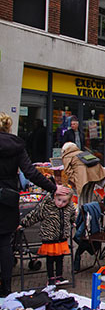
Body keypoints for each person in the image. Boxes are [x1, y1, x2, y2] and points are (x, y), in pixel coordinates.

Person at [0, 112, 69, 296]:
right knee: (5, 243)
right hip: (7, 198)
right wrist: (53, 188)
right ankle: (5, 288)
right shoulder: (16, 146)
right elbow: (30, 172)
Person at [20, 190, 75, 286]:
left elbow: (72, 215)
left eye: (64, 201)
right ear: (54, 197)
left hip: (61, 238)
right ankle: (51, 278)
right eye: (59, 200)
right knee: (50, 259)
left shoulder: (69, 208)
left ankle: (59, 276)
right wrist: (23, 223)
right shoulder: (47, 207)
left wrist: (73, 221)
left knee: (60, 259)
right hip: (49, 237)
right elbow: (35, 215)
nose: (60, 203)